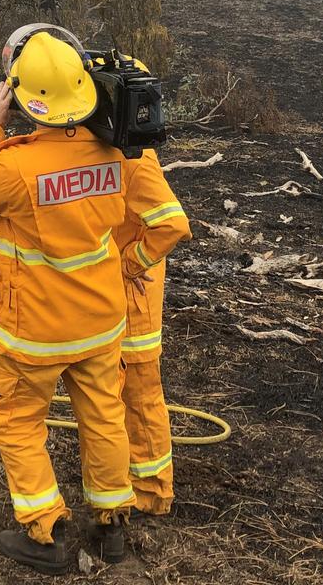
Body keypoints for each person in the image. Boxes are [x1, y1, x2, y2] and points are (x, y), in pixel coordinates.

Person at [0, 25, 189, 574]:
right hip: (102, 325)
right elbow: (166, 225)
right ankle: (112, 527)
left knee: (14, 416)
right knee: (104, 419)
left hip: (31, 331)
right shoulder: (120, 156)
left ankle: (45, 529)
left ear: (28, 101)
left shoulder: (14, 166)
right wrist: (129, 266)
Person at [115, 147, 189, 517]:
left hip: (133, 298)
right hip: (108, 295)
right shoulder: (101, 149)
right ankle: (123, 476)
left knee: (141, 395)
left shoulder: (134, 158)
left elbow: (172, 225)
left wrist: (129, 264)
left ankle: (152, 491)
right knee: (111, 393)